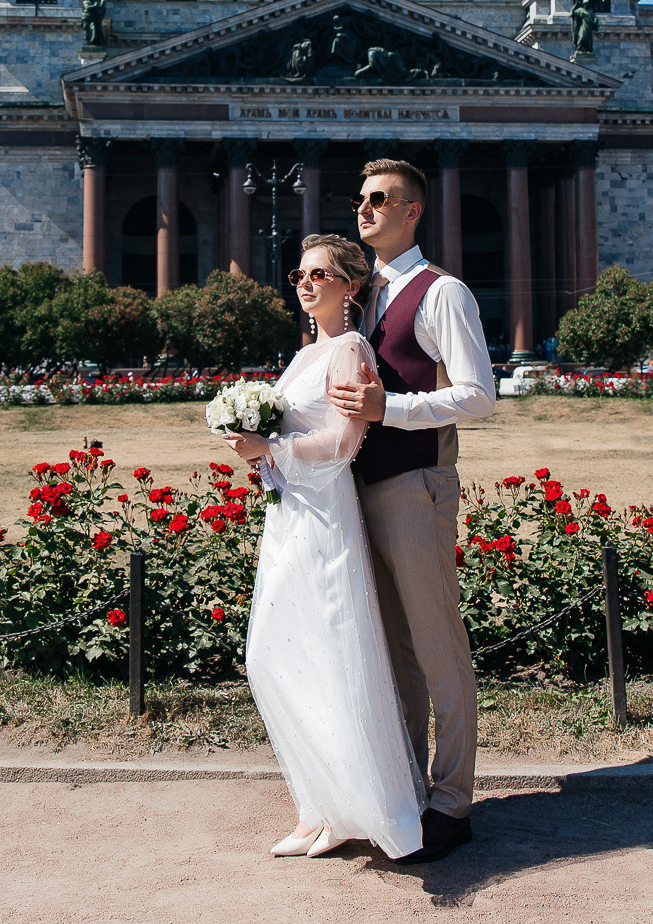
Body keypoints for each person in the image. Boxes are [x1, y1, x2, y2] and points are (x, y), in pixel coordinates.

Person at [222, 235, 424, 860]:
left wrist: (269, 448)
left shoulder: (349, 350)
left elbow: (344, 441)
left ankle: (346, 809)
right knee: (284, 652)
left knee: (323, 649)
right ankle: (318, 805)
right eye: (299, 275)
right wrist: (255, 446)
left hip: (325, 514)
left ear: (350, 287)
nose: (304, 285)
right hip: (291, 510)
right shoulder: (305, 353)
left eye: (319, 275)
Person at [326, 158, 495, 863]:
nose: (364, 209)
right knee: (395, 653)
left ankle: (452, 803)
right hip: (364, 488)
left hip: (417, 485)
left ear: (412, 211)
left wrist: (388, 407)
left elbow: (479, 395)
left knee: (437, 648)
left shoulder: (441, 291)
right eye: (361, 200)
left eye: (379, 199)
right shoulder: (363, 297)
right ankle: (407, 795)